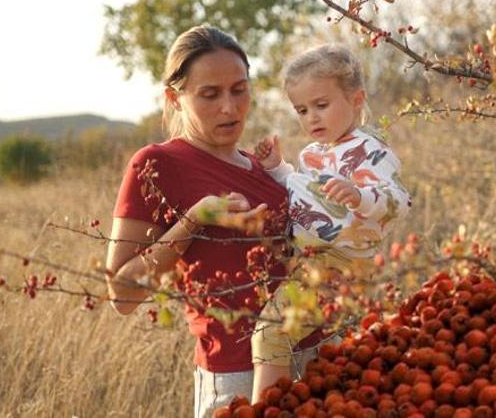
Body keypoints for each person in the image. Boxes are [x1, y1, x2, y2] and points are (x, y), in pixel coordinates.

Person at [105, 25, 290, 418]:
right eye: (209, 94)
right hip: (236, 377)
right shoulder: (158, 164)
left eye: (239, 90)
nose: (230, 107)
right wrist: (193, 221)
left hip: (309, 358)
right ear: (175, 97)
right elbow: (121, 294)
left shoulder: (262, 167)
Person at [249, 44, 411, 402]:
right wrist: (278, 169)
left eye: (321, 105)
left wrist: (360, 194)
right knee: (336, 353)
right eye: (302, 110)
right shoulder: (313, 154)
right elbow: (309, 195)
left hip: (345, 265)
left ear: (356, 99)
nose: (311, 119)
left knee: (271, 332)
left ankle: (263, 408)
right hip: (311, 262)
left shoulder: (371, 150)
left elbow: (399, 201)